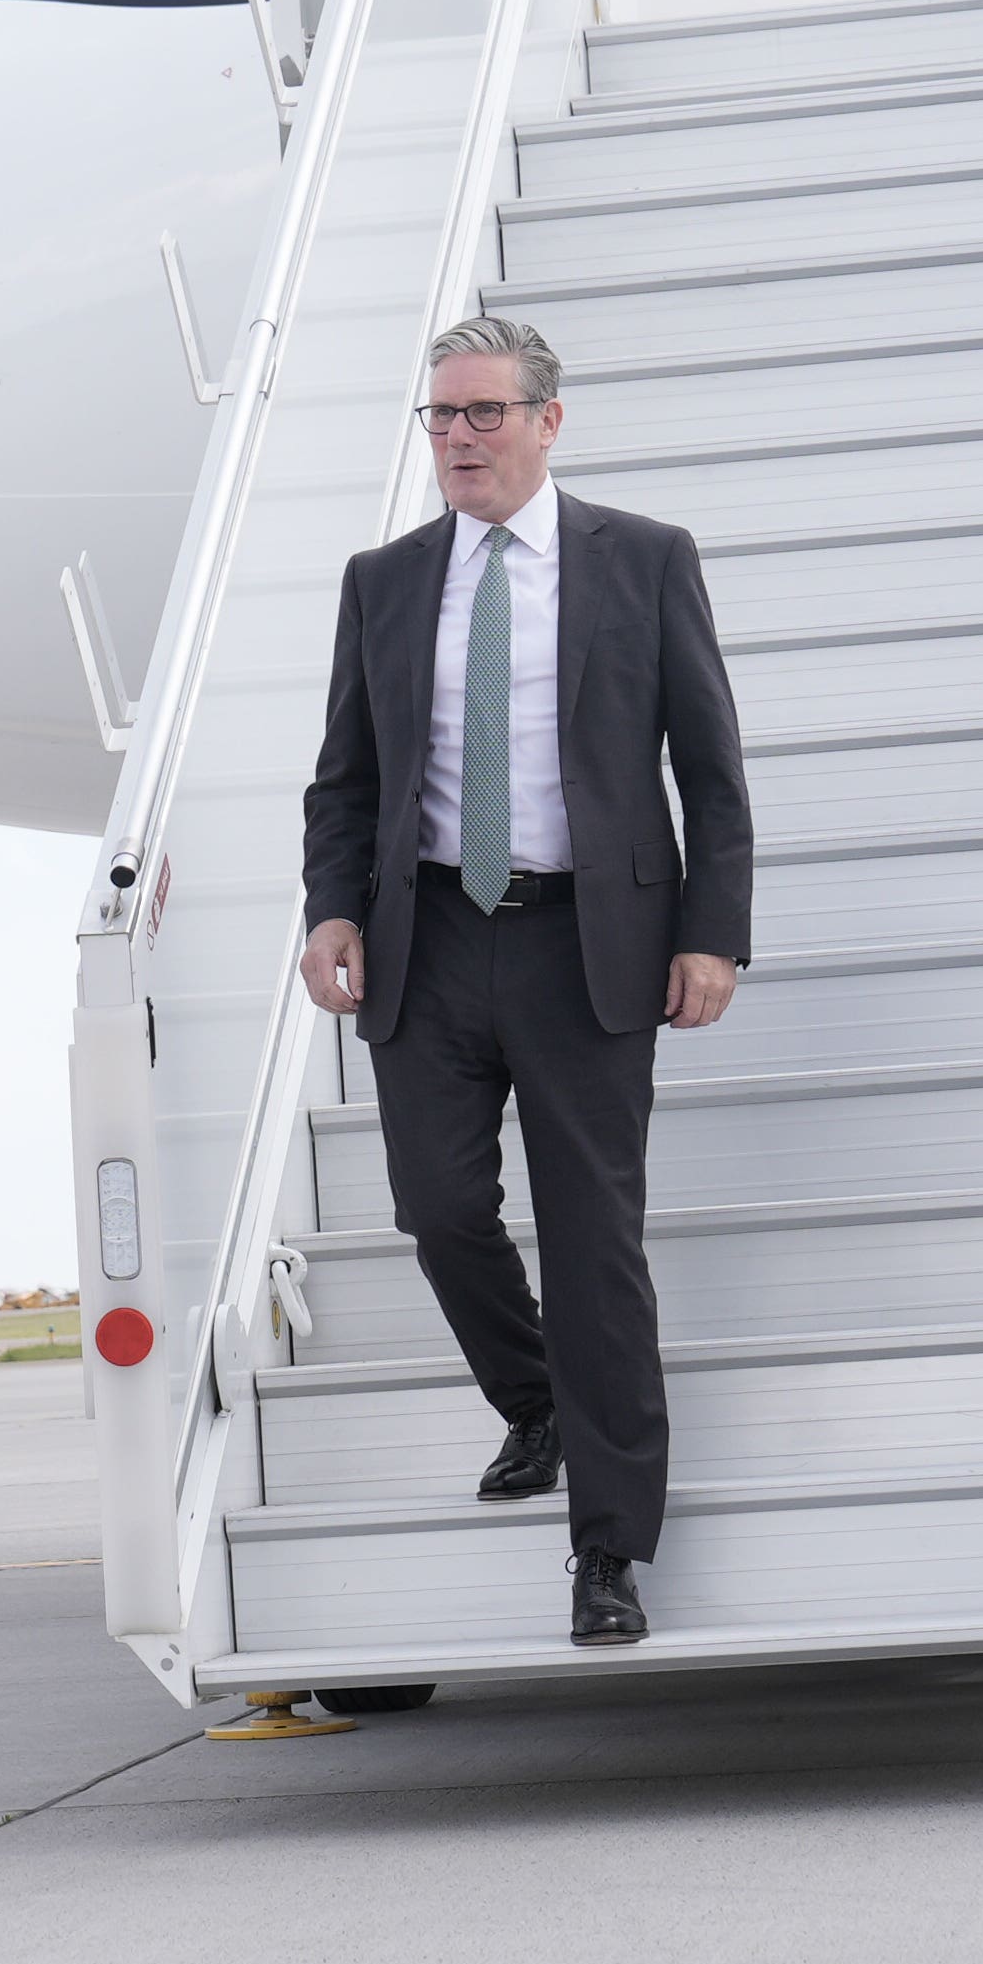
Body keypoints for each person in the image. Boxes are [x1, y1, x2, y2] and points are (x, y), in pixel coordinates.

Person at [299, 316, 753, 1646]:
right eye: (440, 418)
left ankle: (609, 1550)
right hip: (429, 942)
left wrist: (711, 933)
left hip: (585, 948)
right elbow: (348, 777)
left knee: (594, 1245)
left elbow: (710, 771)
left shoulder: (644, 562)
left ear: (550, 421)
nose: (457, 440)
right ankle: (536, 1399)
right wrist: (334, 906)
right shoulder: (383, 582)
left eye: (484, 414)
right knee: (437, 1210)